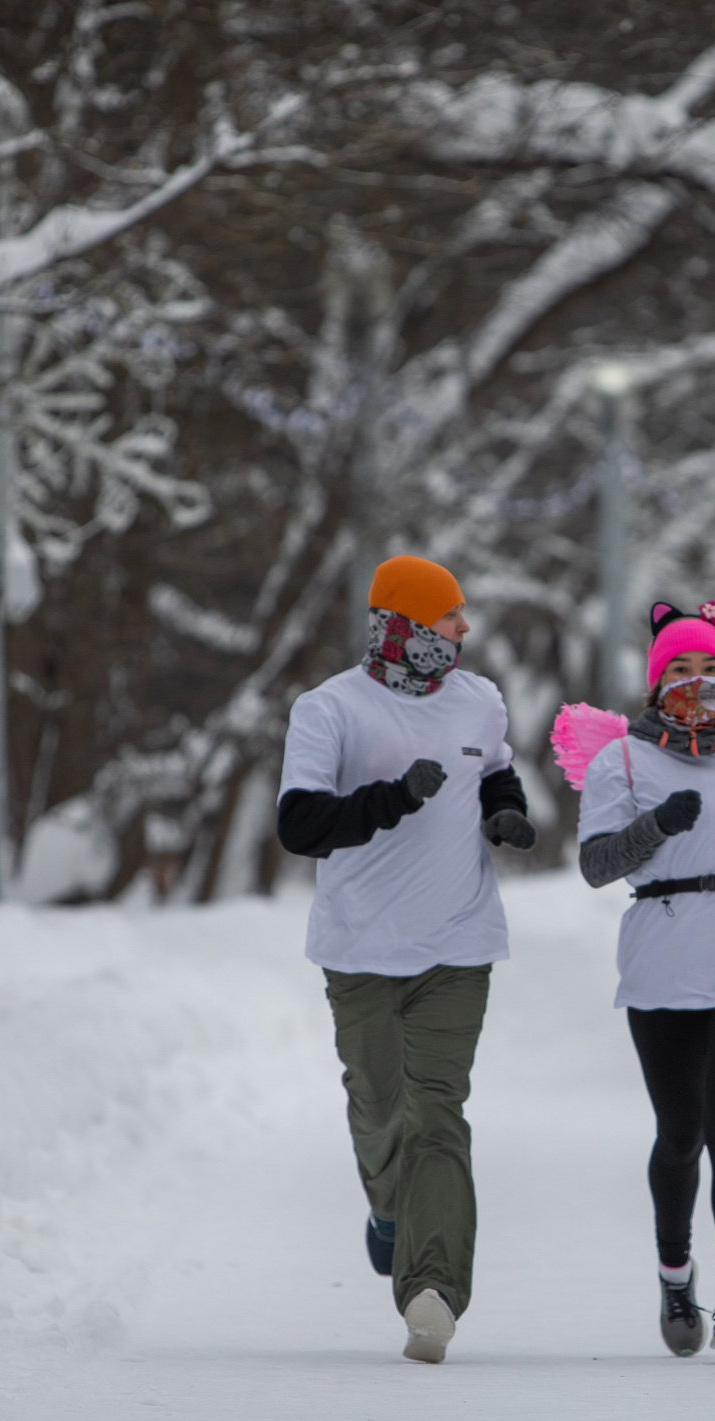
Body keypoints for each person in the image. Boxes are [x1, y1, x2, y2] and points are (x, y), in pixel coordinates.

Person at [276, 554, 536, 1364]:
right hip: (360, 948)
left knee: (437, 1115)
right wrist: (391, 798)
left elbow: (497, 773)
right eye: (449, 617)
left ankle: (433, 1293)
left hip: (458, 944)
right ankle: (391, 1212)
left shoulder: (480, 700)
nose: (465, 629)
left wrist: (506, 815)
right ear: (408, 629)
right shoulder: (329, 710)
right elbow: (300, 824)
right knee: (381, 1111)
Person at [561, 600, 715, 1357]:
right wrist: (656, 825)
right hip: (662, 948)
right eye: (679, 669)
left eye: (710, 670)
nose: (696, 682)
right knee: (681, 1133)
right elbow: (597, 866)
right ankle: (676, 1273)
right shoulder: (622, 762)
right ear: (654, 680)